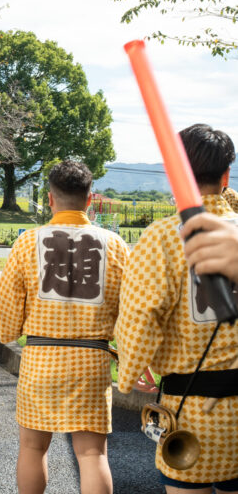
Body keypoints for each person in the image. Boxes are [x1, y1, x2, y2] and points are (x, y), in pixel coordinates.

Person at [0, 160, 130, 494]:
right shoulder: (115, 246)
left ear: (50, 199)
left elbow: (8, 308)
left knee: (32, 448)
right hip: (91, 362)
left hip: (40, 359)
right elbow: (131, 311)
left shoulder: (27, 242)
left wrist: (10, 332)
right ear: (90, 198)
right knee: (92, 454)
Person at [116, 124, 238, 493]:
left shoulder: (163, 236)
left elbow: (141, 315)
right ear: (226, 175)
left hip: (191, 413)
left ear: (174, 173)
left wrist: (129, 372)